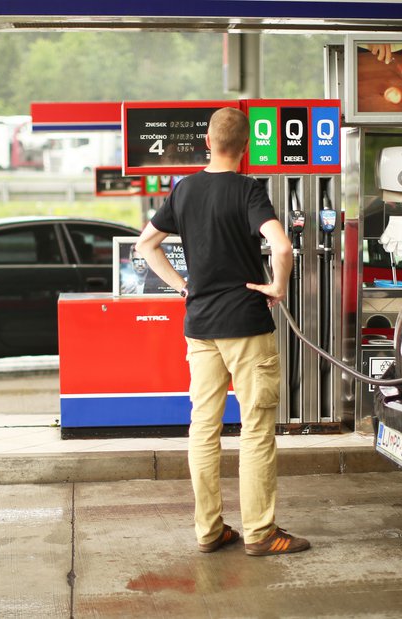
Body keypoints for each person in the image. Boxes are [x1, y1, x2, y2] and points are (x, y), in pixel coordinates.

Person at [135, 107, 310, 557]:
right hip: (246, 327)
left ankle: (210, 530)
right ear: (246, 148)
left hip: (200, 327)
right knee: (254, 428)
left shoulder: (185, 189)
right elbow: (282, 244)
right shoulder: (249, 189)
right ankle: (260, 533)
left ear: (208, 143)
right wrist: (278, 285)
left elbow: (146, 244)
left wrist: (181, 287)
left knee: (203, 427)